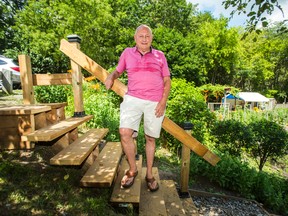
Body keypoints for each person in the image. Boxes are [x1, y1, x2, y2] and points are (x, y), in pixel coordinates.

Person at [105, 24, 171, 192]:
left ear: (151, 39)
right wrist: (111, 77)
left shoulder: (160, 55)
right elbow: (118, 71)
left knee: (150, 138)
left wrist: (163, 101)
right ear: (135, 38)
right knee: (124, 133)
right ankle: (133, 169)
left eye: (147, 36)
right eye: (141, 36)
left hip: (155, 101)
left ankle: (149, 174)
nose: (144, 39)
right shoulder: (127, 53)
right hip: (133, 98)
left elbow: (167, 80)